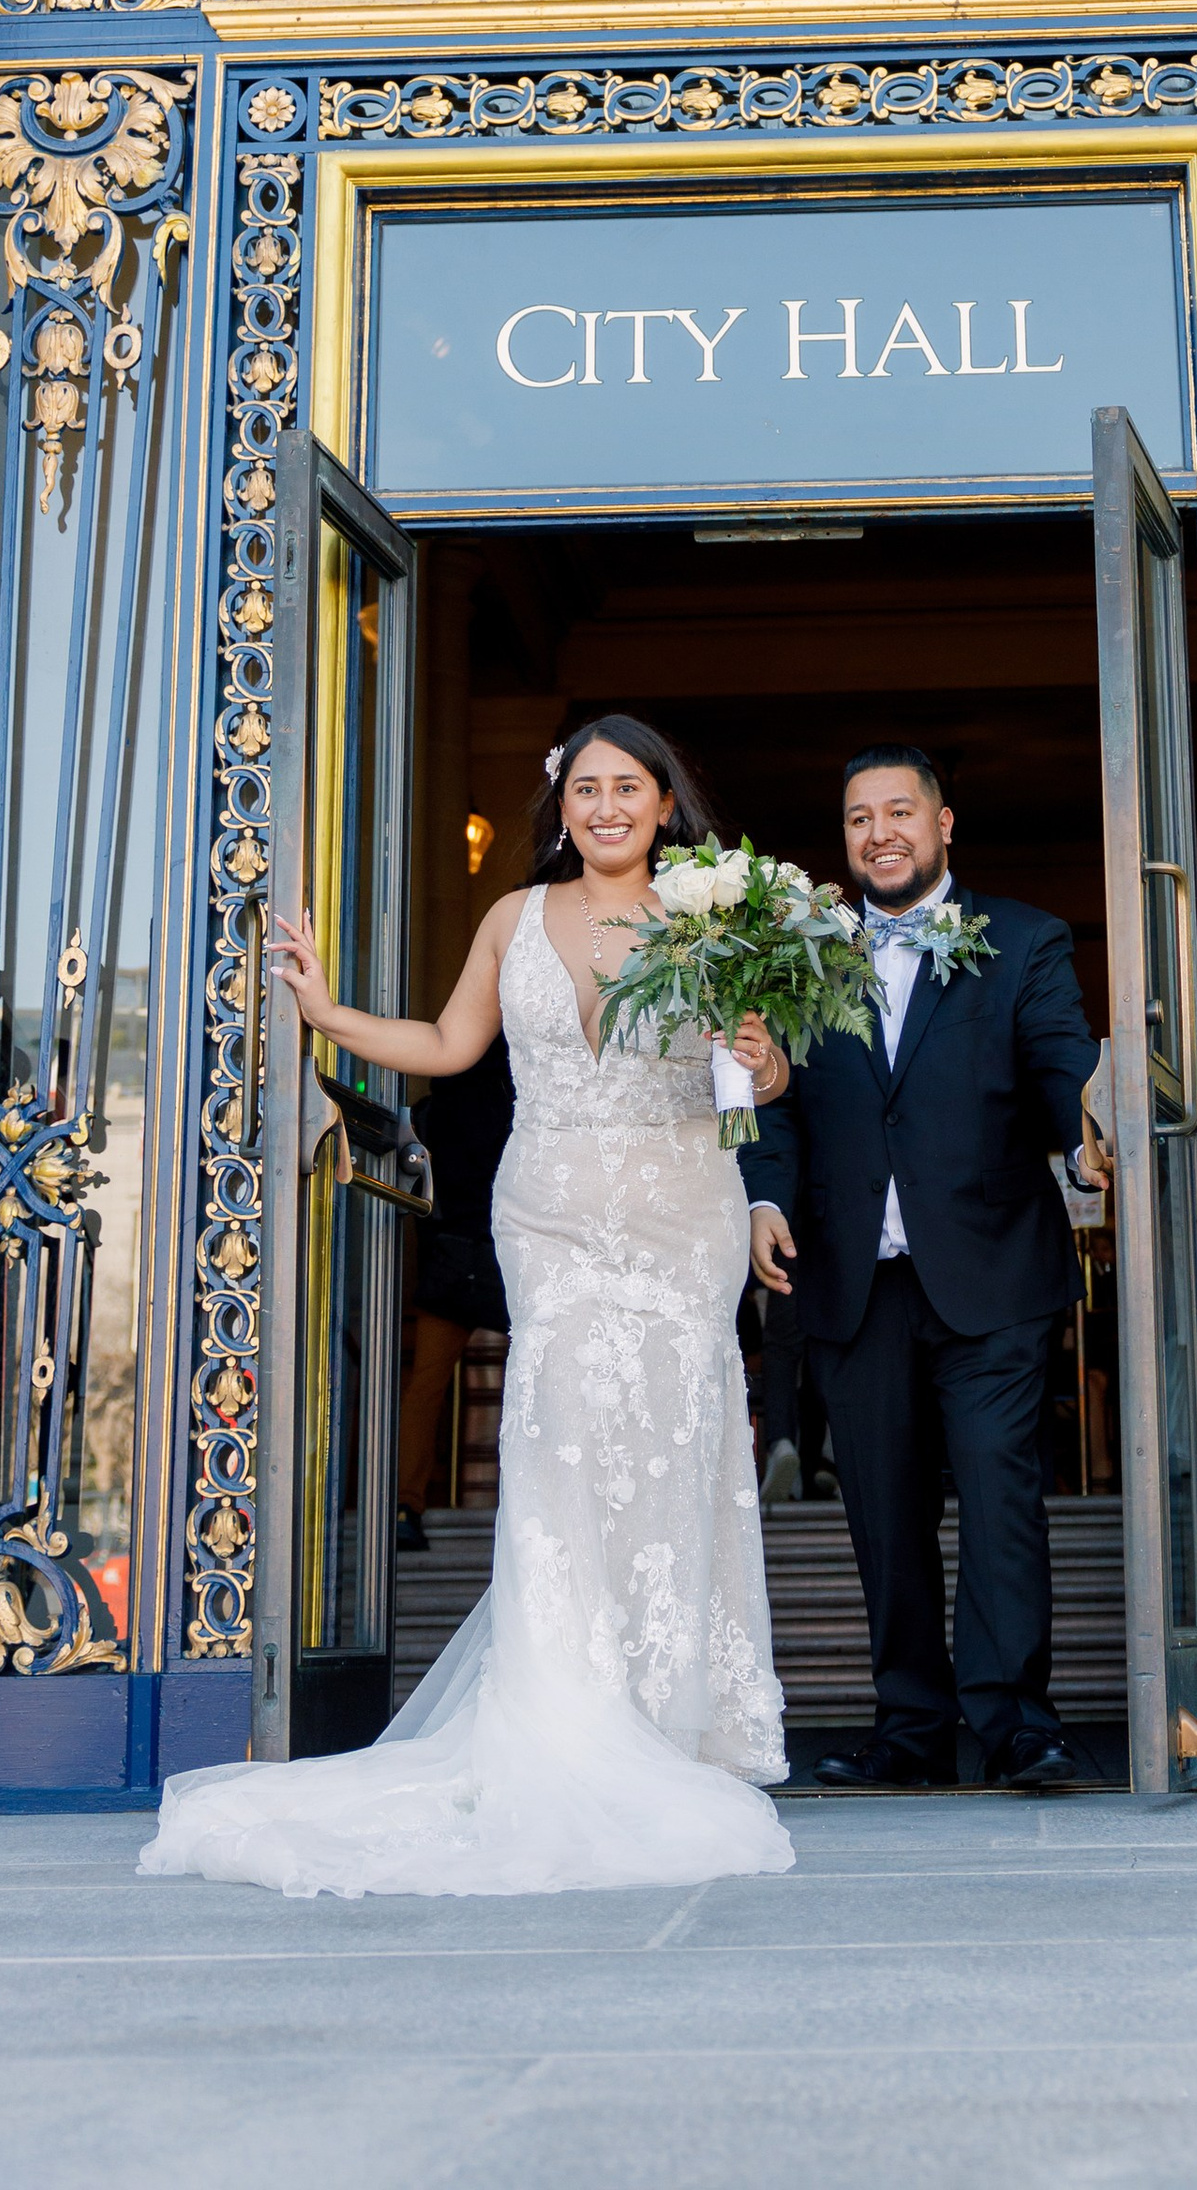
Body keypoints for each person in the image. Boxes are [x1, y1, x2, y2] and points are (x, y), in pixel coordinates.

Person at [140, 716, 793, 1898]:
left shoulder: (716, 916)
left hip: (680, 1211)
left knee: (673, 1449)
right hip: (549, 1215)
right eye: (585, 788)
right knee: (558, 1453)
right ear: (562, 806)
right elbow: (448, 1043)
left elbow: (752, 1077)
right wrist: (329, 1014)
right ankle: (562, 1712)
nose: (605, 808)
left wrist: (762, 1051)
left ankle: (679, 1720)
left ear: (662, 802)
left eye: (627, 788)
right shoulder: (512, 920)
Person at [746, 744, 1112, 1791]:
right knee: (883, 1515)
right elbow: (767, 1098)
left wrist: (1088, 1113)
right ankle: (908, 1731)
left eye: (899, 811)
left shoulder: (1026, 941)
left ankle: (1016, 1728)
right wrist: (763, 1198)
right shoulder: (795, 958)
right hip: (852, 1284)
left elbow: (1056, 1063)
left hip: (992, 1275)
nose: (880, 833)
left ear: (943, 824)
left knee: (1001, 1502)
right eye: (859, 818)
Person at [394, 1037, 515, 1547]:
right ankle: (532, 1509)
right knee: (539, 1381)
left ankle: (404, 1504)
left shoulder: (432, 1112)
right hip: (512, 1260)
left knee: (426, 1386)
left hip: (451, 1259)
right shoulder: (519, 1102)